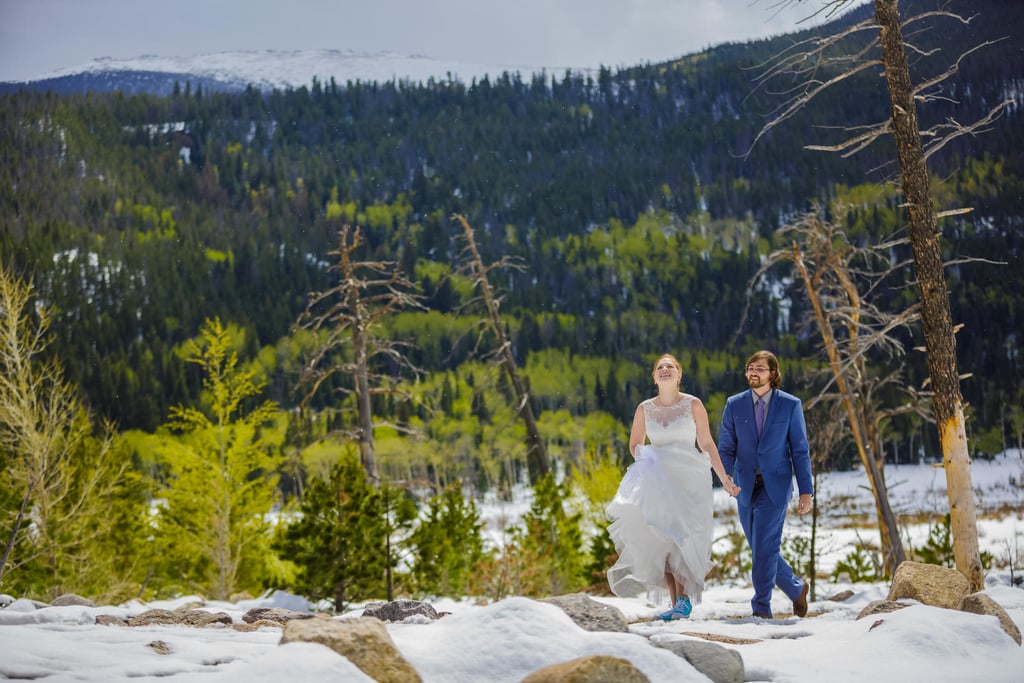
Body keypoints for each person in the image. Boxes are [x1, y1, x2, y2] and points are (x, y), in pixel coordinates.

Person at [606, 354, 739, 621]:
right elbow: (635, 444)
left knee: (683, 537)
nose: (665, 369)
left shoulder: (694, 404)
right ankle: (677, 603)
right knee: (662, 538)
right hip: (658, 479)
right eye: (660, 367)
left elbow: (707, 443)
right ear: (654, 377)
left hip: (689, 479)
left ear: (679, 375)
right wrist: (643, 455)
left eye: (671, 367)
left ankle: (684, 600)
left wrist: (723, 477)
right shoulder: (644, 408)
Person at [718, 350, 813, 619]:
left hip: (776, 487)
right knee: (762, 548)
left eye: (759, 368)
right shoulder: (734, 404)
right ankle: (796, 588)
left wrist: (806, 490)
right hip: (744, 486)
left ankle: (761, 608)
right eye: (750, 368)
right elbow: (726, 447)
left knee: (763, 549)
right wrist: (727, 478)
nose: (753, 372)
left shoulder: (790, 405)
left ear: (773, 373)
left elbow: (800, 450)